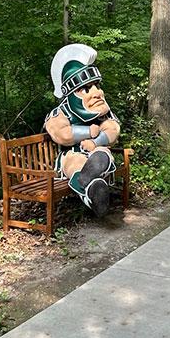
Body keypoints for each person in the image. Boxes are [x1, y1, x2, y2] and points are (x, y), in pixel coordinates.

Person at [44, 43, 120, 216]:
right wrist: (87, 132)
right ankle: (93, 190)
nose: (97, 93)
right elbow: (61, 134)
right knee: (74, 162)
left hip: (94, 150)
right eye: (86, 89)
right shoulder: (60, 113)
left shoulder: (102, 112)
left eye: (97, 86)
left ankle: (88, 186)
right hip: (71, 154)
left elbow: (113, 129)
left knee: (103, 153)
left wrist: (96, 141)